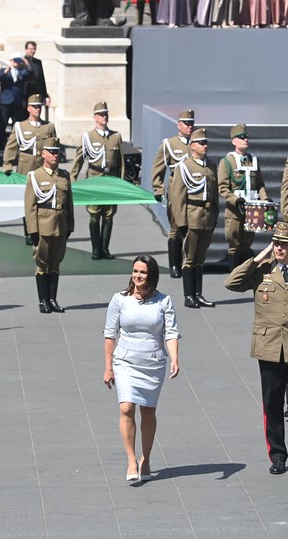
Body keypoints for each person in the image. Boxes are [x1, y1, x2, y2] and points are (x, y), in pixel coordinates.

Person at [225, 222, 288, 481]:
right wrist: (257, 258)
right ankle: (278, 455)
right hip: (269, 347)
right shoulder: (262, 270)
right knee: (272, 403)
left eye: (283, 244)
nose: (278, 247)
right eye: (275, 242)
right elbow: (231, 283)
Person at [103, 256, 180, 482]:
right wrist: (108, 367)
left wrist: (174, 358)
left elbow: (171, 333)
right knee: (126, 408)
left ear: (151, 275)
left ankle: (146, 458)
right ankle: (131, 460)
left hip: (152, 362)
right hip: (125, 361)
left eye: (143, 272)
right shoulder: (119, 300)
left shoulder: (164, 301)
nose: (138, 276)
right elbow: (110, 334)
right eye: (135, 271)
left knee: (148, 411)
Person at [167, 127, 217, 309]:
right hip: (192, 217)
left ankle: (198, 293)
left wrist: (215, 216)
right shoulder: (184, 167)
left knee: (200, 259)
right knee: (189, 258)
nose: (205, 146)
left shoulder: (211, 165)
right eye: (201, 143)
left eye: (206, 142)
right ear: (192, 145)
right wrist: (181, 223)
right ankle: (188, 295)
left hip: (207, 217)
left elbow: (215, 195)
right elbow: (178, 198)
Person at [24, 137, 73, 314]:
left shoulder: (64, 176)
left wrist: (70, 226)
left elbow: (69, 204)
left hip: (61, 225)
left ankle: (53, 299)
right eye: (51, 152)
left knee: (56, 263)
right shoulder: (35, 177)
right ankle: (43, 300)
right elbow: (30, 207)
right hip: (43, 226)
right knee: (42, 264)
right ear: (43, 153)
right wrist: (33, 231)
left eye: (57, 152)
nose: (55, 155)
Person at [71, 101, 124, 260]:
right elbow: (79, 159)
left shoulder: (116, 136)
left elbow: (120, 161)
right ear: (95, 117)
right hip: (94, 178)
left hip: (111, 179)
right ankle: (95, 249)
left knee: (109, 214)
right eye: (101, 114)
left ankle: (105, 248)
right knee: (94, 214)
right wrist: (72, 180)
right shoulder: (88, 137)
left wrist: (121, 182)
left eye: (106, 114)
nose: (104, 117)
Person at [150, 109, 194, 278]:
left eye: (191, 123)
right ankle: (174, 265)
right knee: (176, 228)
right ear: (179, 125)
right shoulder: (170, 144)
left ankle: (186, 262)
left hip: (193, 192)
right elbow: (158, 167)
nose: (189, 127)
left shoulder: (196, 143)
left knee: (191, 228)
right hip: (177, 191)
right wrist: (158, 189)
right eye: (186, 123)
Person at [218, 123, 268, 269]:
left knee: (247, 242)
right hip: (235, 210)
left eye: (246, 137)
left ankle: (245, 273)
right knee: (234, 243)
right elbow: (222, 187)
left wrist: (264, 200)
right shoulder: (227, 161)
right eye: (241, 137)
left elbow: (259, 185)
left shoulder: (253, 160)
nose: (245, 139)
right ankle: (234, 272)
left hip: (252, 207)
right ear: (233, 141)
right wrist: (235, 200)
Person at [0, 53, 29, 150]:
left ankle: (17, 144)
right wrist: (7, 70)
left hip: (17, 102)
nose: (16, 63)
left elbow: (30, 74)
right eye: (14, 61)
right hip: (5, 102)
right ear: (11, 61)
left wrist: (25, 62)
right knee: (3, 123)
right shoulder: (4, 71)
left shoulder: (22, 71)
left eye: (18, 61)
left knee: (17, 124)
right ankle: (1, 145)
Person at [23, 41, 50, 121]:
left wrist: (45, 96)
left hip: (37, 95)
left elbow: (41, 79)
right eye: (31, 49)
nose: (33, 51)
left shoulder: (38, 62)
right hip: (26, 96)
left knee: (36, 116)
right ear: (26, 49)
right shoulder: (22, 62)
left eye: (34, 49)